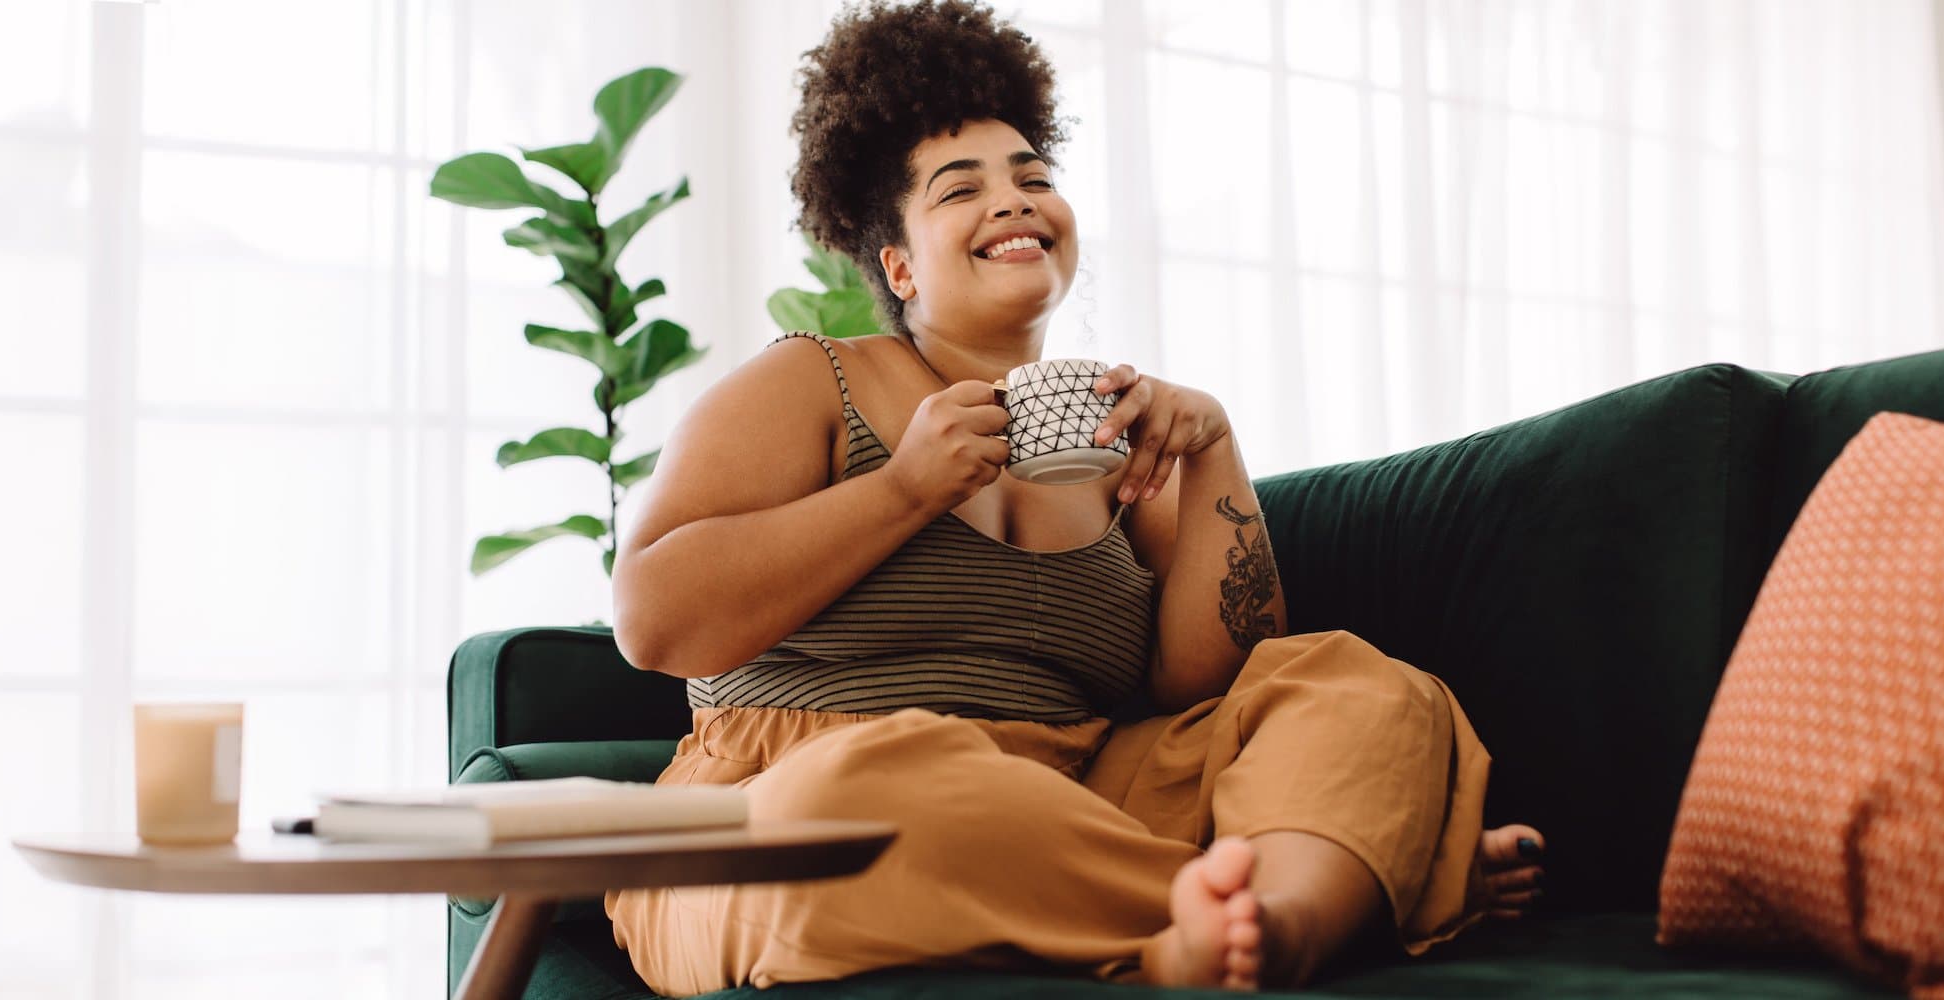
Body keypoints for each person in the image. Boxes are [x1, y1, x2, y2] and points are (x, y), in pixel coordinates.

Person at [605, 1, 1544, 993]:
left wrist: (1211, 448)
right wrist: (905, 489)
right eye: (961, 188)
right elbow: (654, 621)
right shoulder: (810, 381)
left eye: (1033, 179)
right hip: (783, 797)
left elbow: (1211, 679)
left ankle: (1266, 927)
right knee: (873, 791)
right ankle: (1343, 888)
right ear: (898, 266)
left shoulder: (1107, 435)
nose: (1012, 202)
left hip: (1079, 797)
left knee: (1352, 683)